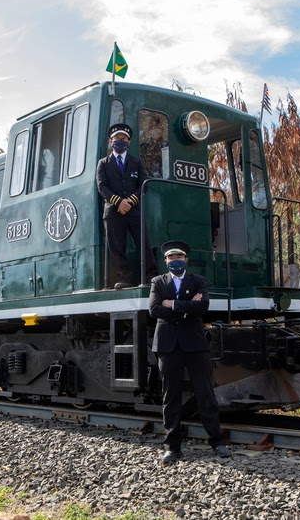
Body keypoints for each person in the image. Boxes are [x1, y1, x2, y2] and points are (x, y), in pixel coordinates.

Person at [149, 240, 231, 463]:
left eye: (178, 257)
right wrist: (187, 306)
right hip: (168, 345)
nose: (174, 261)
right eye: (170, 257)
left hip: (195, 344)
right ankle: (171, 447)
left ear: (186, 259)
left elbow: (203, 306)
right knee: (170, 396)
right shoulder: (157, 282)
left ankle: (217, 442)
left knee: (205, 393)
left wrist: (173, 304)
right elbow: (154, 310)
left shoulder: (198, 281)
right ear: (165, 260)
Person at [96, 123, 157, 289]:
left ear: (128, 142)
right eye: (117, 138)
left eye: (123, 138)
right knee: (116, 247)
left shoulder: (136, 162)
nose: (120, 141)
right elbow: (102, 186)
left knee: (144, 244)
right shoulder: (103, 163)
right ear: (111, 142)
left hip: (134, 210)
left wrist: (129, 201)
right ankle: (125, 278)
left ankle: (151, 277)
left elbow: (143, 184)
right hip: (113, 211)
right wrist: (119, 202)